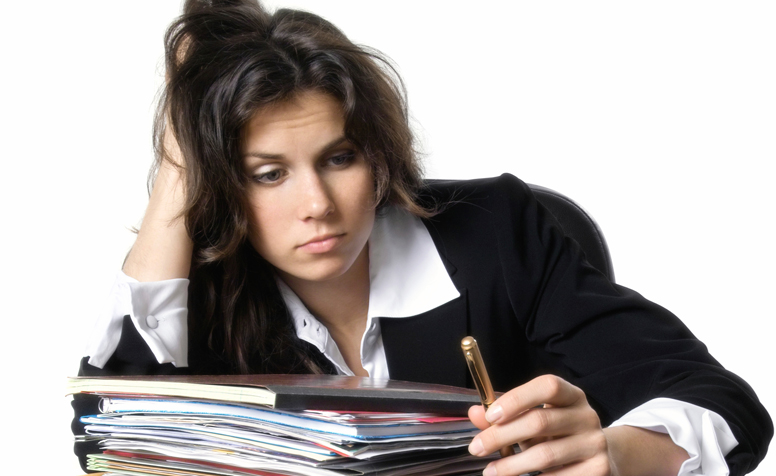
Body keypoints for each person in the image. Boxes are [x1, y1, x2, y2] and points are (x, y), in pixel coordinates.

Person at [72, 1, 772, 475]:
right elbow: (115, 443)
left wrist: (616, 455)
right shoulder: (209, 285)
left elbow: (722, 402)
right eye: (267, 174)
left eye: (339, 158)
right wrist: (174, 172)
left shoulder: (497, 233)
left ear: (379, 154)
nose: (316, 204)